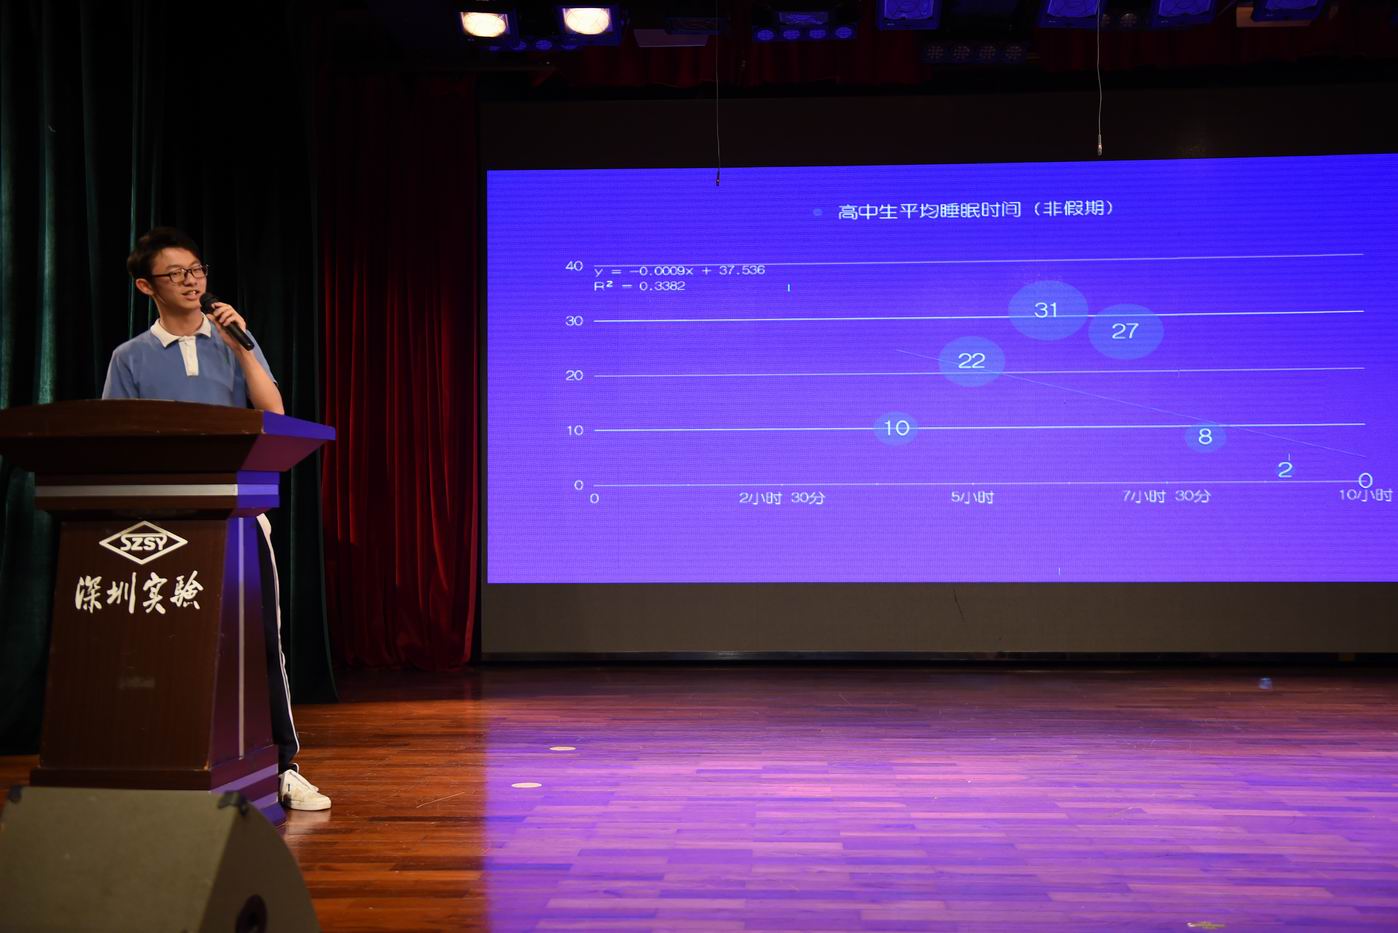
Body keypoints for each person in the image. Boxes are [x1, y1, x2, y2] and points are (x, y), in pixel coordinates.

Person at [102, 227, 330, 812]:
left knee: (261, 641)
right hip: (163, 523)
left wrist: (241, 347)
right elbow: (115, 437)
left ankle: (283, 767)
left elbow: (273, 412)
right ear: (146, 286)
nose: (191, 281)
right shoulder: (130, 356)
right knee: (171, 646)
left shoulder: (234, 341)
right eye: (175, 273)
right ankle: (167, 762)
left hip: (240, 514)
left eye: (196, 270)